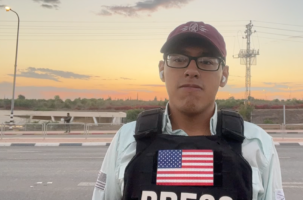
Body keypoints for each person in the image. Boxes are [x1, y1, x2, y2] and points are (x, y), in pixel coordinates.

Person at [92, 21, 284, 200]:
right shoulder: (126, 140)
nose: (191, 70)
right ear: (162, 70)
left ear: (224, 75)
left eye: (207, 61)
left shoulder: (257, 145)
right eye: (178, 59)